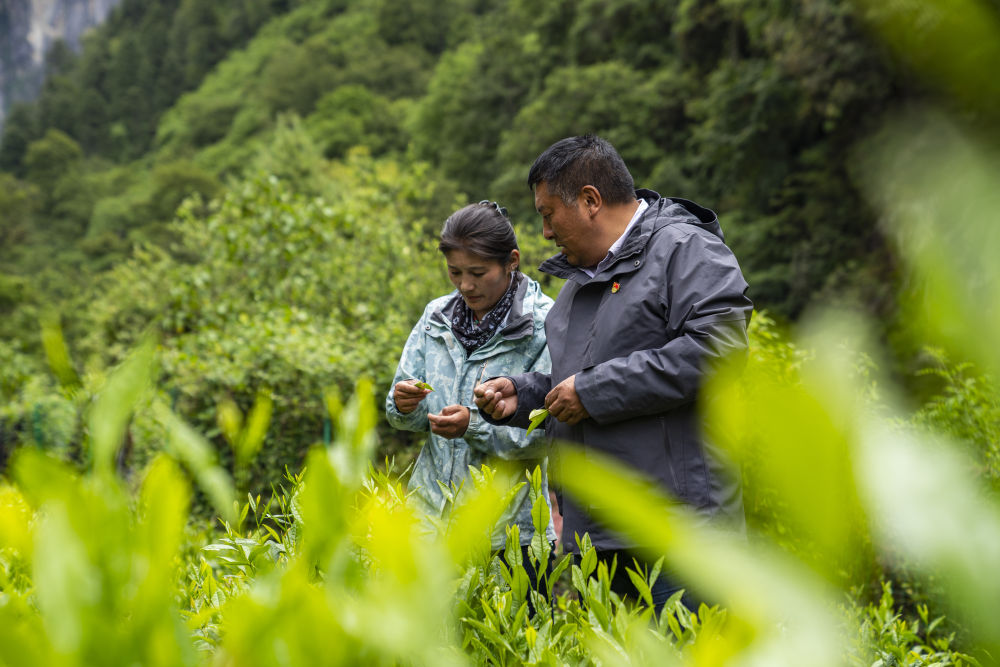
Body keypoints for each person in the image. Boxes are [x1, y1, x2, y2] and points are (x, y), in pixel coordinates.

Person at [474, 135, 753, 613]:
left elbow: (718, 350)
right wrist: (522, 396)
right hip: (597, 542)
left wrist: (593, 390)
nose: (544, 232)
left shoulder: (686, 250)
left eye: (547, 214)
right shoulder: (577, 288)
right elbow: (576, 384)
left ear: (589, 201)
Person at [385, 200, 557, 591]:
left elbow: (548, 431)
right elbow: (398, 408)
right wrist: (404, 403)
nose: (465, 285)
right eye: (455, 272)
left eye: (478, 273)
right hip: (427, 526)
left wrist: (472, 426)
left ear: (511, 260)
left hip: (509, 538)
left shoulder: (544, 324)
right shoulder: (436, 317)